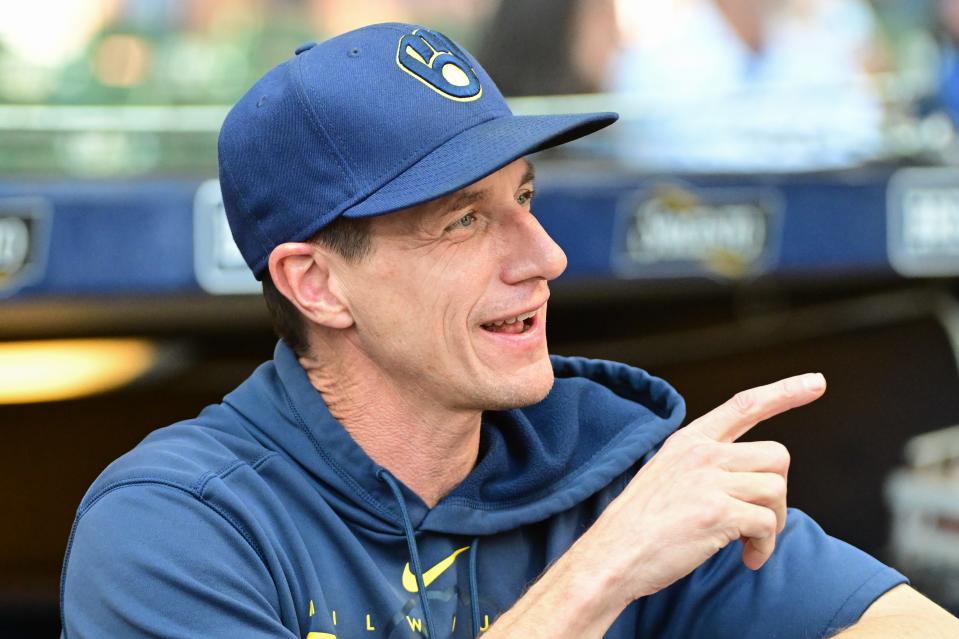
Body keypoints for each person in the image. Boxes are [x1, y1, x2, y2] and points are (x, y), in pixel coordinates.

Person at [59, 23, 959, 638]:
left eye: (523, 196)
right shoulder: (173, 523)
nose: (545, 256)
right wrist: (599, 575)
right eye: (463, 220)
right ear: (316, 282)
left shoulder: (613, 467)